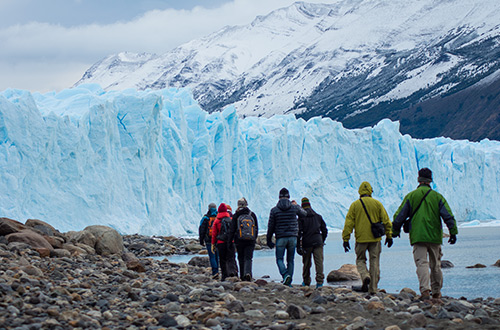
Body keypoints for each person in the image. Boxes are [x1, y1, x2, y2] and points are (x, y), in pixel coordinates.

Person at [392, 168, 458, 300]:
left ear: (419, 179)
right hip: (434, 236)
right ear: (430, 180)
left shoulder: (411, 196)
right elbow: (448, 215)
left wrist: (394, 231)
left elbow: (400, 215)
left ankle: (425, 291)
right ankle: (436, 292)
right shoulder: (437, 197)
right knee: (436, 265)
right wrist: (453, 232)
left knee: (422, 263)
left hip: (418, 236)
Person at [342, 181, 393, 294]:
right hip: (375, 239)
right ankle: (373, 289)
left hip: (361, 239)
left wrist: (346, 239)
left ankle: (365, 276)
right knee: (374, 261)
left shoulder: (355, 205)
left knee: (360, 260)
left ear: (360, 192)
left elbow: (349, 223)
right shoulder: (377, 204)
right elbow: (386, 221)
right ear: (370, 191)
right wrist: (389, 235)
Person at [267, 187, 307, 286]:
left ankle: (285, 276)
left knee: (279, 259)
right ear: (289, 197)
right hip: (293, 237)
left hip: (280, 237)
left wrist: (269, 239)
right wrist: (297, 205)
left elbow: (271, 226)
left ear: (279, 197)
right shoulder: (294, 208)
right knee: (290, 260)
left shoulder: (274, 210)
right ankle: (289, 281)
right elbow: (304, 214)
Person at [297, 197, 328, 289]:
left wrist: (298, 246)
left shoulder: (301, 218)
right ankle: (319, 283)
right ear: (310, 205)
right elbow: (324, 230)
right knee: (319, 263)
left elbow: (299, 233)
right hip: (318, 242)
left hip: (307, 243)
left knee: (306, 263)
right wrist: (322, 240)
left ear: (302, 207)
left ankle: (306, 281)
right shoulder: (318, 216)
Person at [230, 197, 258, 281]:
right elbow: (256, 228)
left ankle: (242, 276)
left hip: (239, 240)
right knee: (248, 258)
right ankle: (248, 273)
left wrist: (230, 241)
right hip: (250, 240)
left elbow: (232, 229)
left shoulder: (236, 215)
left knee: (241, 258)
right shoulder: (252, 214)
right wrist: (254, 238)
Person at [211, 203, 238, 281]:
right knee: (231, 258)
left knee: (222, 259)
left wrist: (213, 243)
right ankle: (233, 272)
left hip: (221, 243)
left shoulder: (217, 221)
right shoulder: (230, 220)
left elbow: (214, 234)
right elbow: (234, 231)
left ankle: (224, 275)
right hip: (230, 242)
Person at [198, 202, 219, 277]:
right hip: (217, 239)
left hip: (208, 240)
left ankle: (215, 271)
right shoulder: (218, 217)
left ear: (209, 208)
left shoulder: (206, 218)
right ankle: (218, 270)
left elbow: (201, 230)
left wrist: (201, 240)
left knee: (212, 256)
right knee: (217, 255)